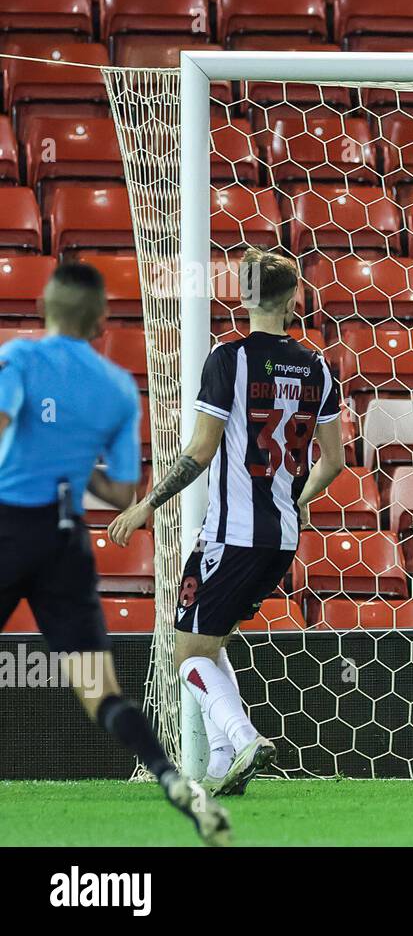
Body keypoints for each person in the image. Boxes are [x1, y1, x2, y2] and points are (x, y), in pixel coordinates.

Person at [0, 262, 229, 844]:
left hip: (10, 525)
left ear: (46, 303)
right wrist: (71, 465)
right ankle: (172, 778)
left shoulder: (20, 359)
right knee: (100, 691)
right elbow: (122, 493)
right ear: (101, 320)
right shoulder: (117, 388)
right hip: (66, 542)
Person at [109, 248, 345, 795]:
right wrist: (297, 494)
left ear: (243, 296)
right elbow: (332, 460)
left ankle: (242, 739)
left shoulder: (228, 359)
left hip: (231, 535)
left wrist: (149, 503)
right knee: (209, 644)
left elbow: (199, 451)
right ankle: (222, 762)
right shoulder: (318, 367)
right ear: (294, 300)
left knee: (184, 650)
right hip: (283, 537)